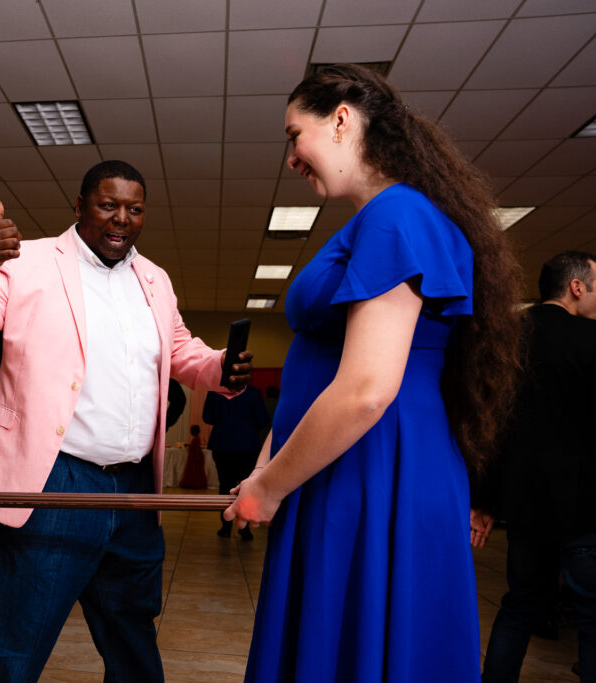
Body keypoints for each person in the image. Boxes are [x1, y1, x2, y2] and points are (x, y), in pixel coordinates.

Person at [223, 64, 523, 681]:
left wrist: (271, 486)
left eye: (293, 134)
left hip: (374, 461)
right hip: (346, 460)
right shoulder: (384, 217)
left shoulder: (398, 216)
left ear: (340, 119)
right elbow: (326, 371)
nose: (290, 158)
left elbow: (365, 390)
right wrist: (266, 466)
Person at [0, 159, 253, 682]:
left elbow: (179, 351)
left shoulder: (154, 279)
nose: (121, 219)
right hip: (53, 482)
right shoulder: (30, 260)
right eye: (108, 205)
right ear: (81, 205)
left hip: (134, 491)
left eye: (134, 209)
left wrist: (220, 366)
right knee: (20, 637)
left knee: (132, 636)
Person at [473, 251, 596, 682]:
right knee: (593, 618)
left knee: (520, 606)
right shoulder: (594, 340)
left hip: (526, 507)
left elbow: (492, 427)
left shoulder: (505, 339)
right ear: (577, 287)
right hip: (586, 506)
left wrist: (485, 501)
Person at [203, 384, 268, 540]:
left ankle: (225, 526)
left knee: (225, 485)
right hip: (247, 446)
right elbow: (263, 419)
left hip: (222, 445)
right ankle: (245, 528)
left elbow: (207, 418)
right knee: (247, 486)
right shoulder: (254, 393)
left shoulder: (214, 392)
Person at [178, 424, 208, 489]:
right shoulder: (196, 438)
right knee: (194, 470)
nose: (191, 432)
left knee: (194, 470)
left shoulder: (196, 439)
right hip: (194, 456)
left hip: (195, 457)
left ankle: (193, 484)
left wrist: (196, 456)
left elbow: (197, 448)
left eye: (192, 431)